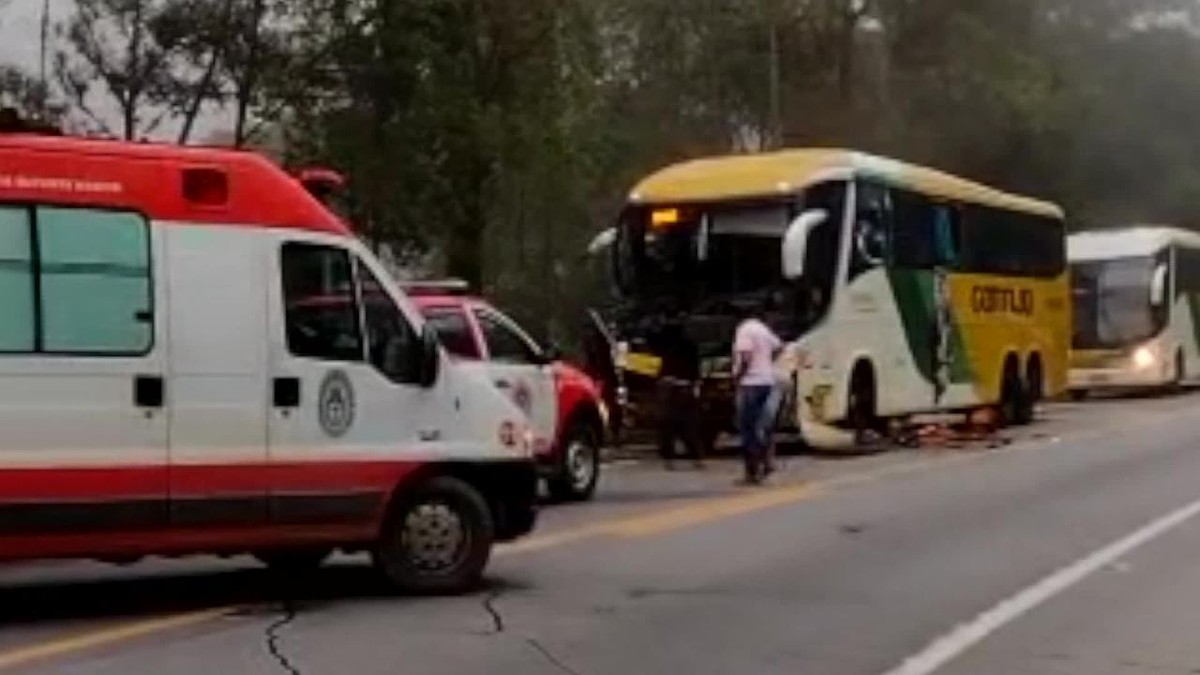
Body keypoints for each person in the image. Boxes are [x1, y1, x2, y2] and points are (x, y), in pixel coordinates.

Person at [733, 308, 782, 485]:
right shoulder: (763, 329)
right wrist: (766, 363)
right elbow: (779, 347)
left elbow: (745, 357)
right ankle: (766, 463)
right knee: (760, 426)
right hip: (766, 381)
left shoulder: (744, 329)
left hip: (750, 383)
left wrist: (738, 377)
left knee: (747, 429)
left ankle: (752, 471)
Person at [655, 321, 703, 469]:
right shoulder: (690, 347)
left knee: (669, 425)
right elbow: (696, 370)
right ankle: (696, 458)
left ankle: (669, 459)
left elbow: (662, 370)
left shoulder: (665, 347)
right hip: (686, 388)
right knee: (688, 425)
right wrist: (696, 384)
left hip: (671, 388)